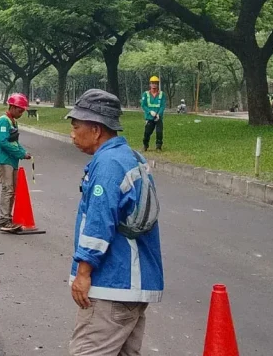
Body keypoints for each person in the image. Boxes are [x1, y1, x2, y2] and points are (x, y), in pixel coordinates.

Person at [65, 89, 163, 356]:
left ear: (96, 130)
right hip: (134, 287)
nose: (72, 133)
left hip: (112, 285)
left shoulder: (108, 163)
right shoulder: (131, 156)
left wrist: (83, 273)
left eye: (76, 127)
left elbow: (99, 223)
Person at [0, 93, 32, 233]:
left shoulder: (13, 121)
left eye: (22, 111)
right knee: (8, 189)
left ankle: (9, 219)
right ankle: (4, 220)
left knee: (13, 190)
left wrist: (24, 152)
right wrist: (21, 153)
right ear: (11, 107)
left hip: (12, 160)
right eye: (19, 110)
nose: (21, 113)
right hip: (4, 159)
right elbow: (3, 142)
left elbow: (15, 142)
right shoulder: (3, 121)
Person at [140, 76, 165, 151]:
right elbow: (143, 105)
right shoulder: (146, 94)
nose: (154, 85)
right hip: (149, 117)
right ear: (150, 84)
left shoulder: (162, 94)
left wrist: (158, 114)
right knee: (147, 132)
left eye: (155, 83)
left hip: (158, 117)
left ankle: (158, 146)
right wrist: (150, 111)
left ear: (158, 84)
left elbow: (162, 106)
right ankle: (145, 145)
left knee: (159, 132)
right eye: (152, 83)